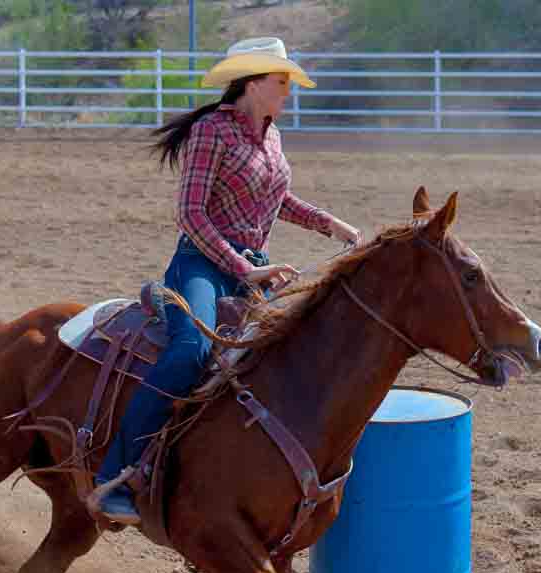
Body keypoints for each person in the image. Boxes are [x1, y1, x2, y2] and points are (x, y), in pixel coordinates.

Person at [96, 36, 362, 525]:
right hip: (201, 266)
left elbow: (275, 198)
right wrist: (244, 268)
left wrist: (331, 224)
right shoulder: (212, 132)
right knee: (190, 351)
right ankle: (116, 474)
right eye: (282, 81)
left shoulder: (273, 134)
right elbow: (191, 214)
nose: (289, 91)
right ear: (254, 83)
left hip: (252, 269)